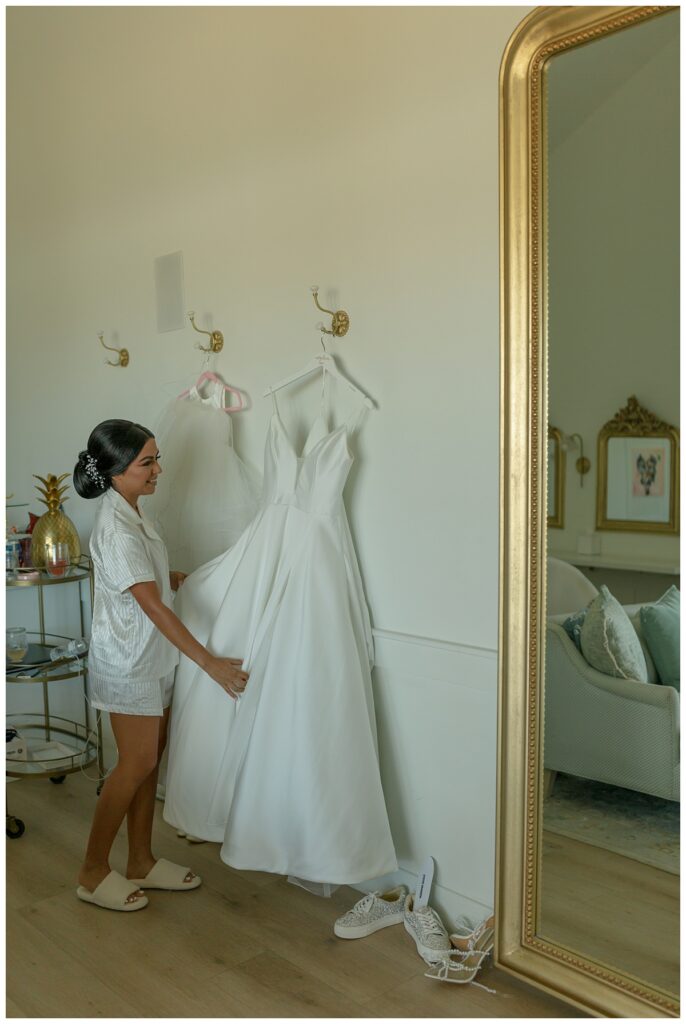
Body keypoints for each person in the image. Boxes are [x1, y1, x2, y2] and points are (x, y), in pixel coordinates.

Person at [72, 419, 249, 912]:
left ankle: (142, 861)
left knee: (150, 763)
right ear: (115, 472)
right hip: (128, 662)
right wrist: (210, 663)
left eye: (156, 458)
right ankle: (91, 870)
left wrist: (169, 575)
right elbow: (150, 606)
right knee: (135, 764)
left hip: (152, 658)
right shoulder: (115, 527)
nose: (158, 470)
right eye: (147, 462)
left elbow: (140, 585)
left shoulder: (136, 514)